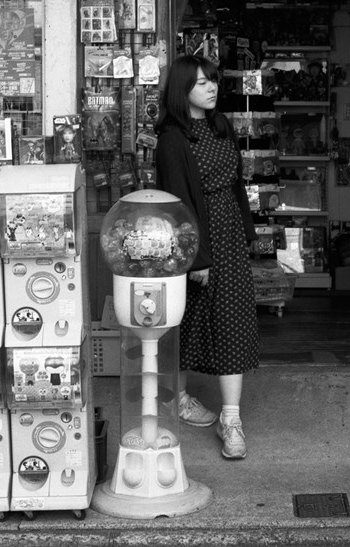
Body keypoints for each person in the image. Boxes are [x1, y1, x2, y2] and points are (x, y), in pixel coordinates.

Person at [155, 54, 259, 460]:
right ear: (182, 90)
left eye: (213, 80)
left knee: (231, 318)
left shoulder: (221, 126)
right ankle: (177, 398)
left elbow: (234, 185)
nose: (211, 87)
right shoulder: (172, 138)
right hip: (195, 239)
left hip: (228, 233)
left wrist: (246, 232)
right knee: (188, 319)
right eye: (201, 83)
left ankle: (230, 419)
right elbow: (175, 203)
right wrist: (196, 258)